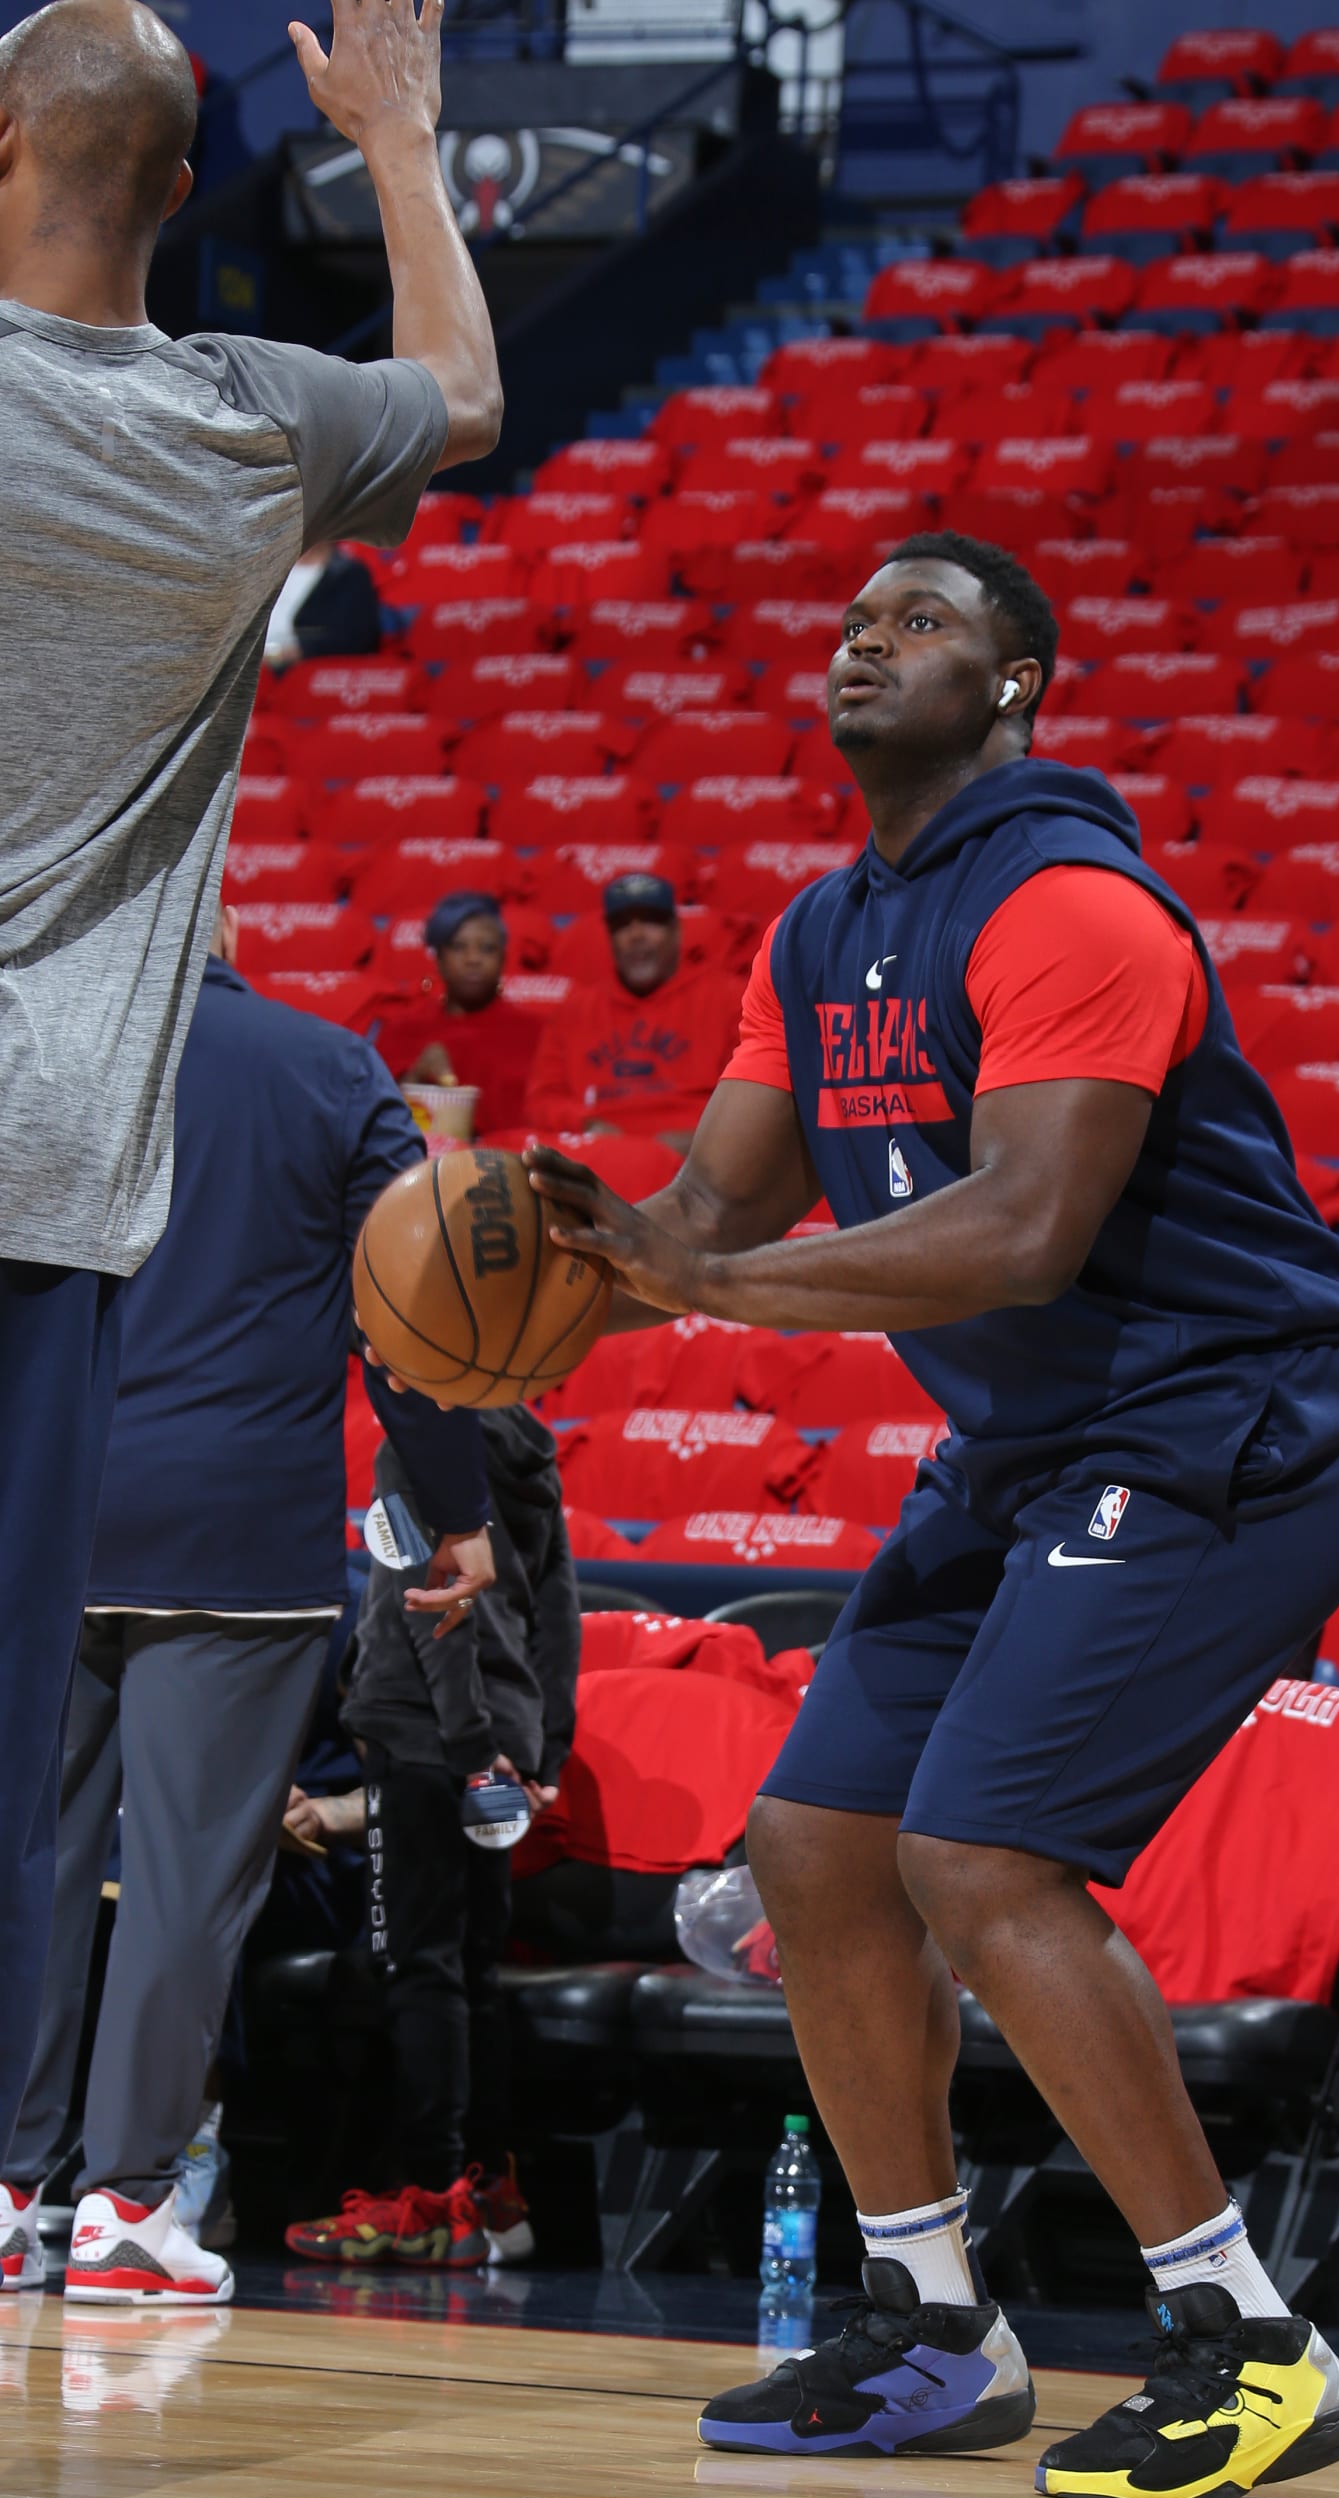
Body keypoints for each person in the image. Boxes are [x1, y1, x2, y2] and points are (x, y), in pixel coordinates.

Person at [528, 531, 1339, 2498]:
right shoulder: (819, 933)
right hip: (1038, 1446)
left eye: (923, 621)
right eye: (853, 619)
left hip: (1231, 1417)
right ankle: (935, 2323)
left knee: (982, 1852)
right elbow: (707, 1218)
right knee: (819, 1843)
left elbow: (1021, 1230)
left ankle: (1252, 2344)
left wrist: (717, 1291)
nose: (867, 642)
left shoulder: (1077, 904)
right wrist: (532, 1276)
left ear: (1018, 682)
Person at [0, 0, 501, 2170]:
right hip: (51, 1184)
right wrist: (398, 134)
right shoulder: (243, 425)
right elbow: (471, 396)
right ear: (189, 195)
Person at [0, 907, 494, 2306]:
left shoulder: (42, 1059)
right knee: (181, 1882)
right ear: (217, 912)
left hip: (49, 1511)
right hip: (234, 1541)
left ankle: (6, 2189)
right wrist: (457, 1513)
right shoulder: (332, 1072)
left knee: (30, 1862)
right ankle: (129, 2207)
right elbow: (421, 1319)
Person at [286, 1406, 581, 2271]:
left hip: (430, 1737)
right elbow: (559, 1606)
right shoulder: (534, 1451)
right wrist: (542, 1745)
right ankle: (488, 2191)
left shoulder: (418, 1445)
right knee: (471, 1968)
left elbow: (429, 1602)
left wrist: (462, 1743)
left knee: (418, 1965)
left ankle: (428, 2194)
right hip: (503, 1742)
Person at [523, 870, 745, 1147]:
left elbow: (750, 1098)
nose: (636, 934)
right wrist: (587, 1124)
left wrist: (696, 1143)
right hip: (598, 1154)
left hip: (697, 1159)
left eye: (651, 921)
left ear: (677, 931)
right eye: (623, 925)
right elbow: (542, 1099)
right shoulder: (575, 1010)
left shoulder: (730, 998)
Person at [375, 889, 545, 1134]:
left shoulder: (536, 1032)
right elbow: (378, 1119)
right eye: (458, 947)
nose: (473, 959)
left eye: (486, 948)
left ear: (503, 958)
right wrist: (416, 1077)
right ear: (439, 959)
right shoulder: (401, 1030)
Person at [263, 535, 382, 667]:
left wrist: (282, 654)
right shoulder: (263, 574)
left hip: (299, 671)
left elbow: (354, 637)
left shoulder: (349, 575)